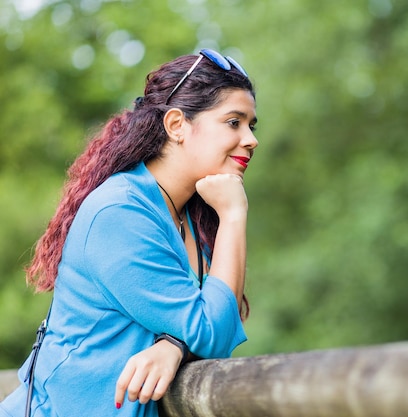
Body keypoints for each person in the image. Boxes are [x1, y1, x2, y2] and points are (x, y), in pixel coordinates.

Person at [0, 48, 258, 417]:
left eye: (251, 125)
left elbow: (215, 326)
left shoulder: (186, 214)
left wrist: (174, 346)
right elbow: (209, 331)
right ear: (176, 126)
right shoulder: (122, 212)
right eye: (234, 122)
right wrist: (234, 215)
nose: (250, 139)